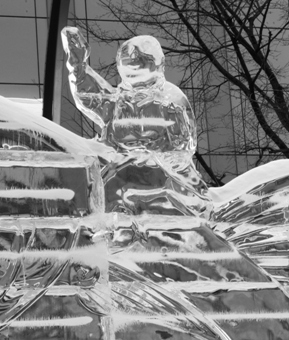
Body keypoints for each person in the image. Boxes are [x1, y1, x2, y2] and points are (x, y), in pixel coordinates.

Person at [62, 28, 208, 216]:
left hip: (162, 183)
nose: (132, 60)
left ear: (157, 64)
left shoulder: (170, 100)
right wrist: (77, 65)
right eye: (128, 60)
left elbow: (182, 149)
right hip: (118, 182)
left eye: (138, 60)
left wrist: (160, 161)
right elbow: (89, 94)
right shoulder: (118, 101)